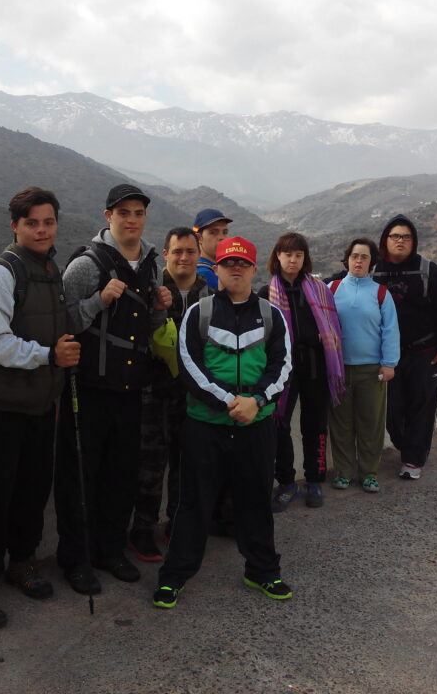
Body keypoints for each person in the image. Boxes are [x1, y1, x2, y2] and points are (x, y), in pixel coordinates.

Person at [0, 187, 80, 629]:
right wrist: (50, 356)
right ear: (15, 226)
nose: (42, 229)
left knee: (31, 492)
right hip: (0, 408)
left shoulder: (51, 270)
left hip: (40, 406)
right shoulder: (1, 274)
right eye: (32, 223)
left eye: (48, 221)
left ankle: (22, 562)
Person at [154, 237, 293, 610]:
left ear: (254, 268)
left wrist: (257, 401)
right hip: (205, 425)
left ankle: (262, 571)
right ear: (215, 269)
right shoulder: (197, 313)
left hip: (256, 423)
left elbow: (282, 367)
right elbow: (189, 367)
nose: (235, 269)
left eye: (243, 264)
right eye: (228, 263)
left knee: (256, 500)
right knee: (193, 503)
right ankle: (174, 577)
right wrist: (231, 402)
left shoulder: (271, 315)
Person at [54, 183, 171, 595]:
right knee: (81, 477)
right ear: (108, 216)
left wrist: (160, 310)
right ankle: (76, 558)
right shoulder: (87, 265)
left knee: (121, 476)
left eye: (138, 212)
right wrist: (99, 300)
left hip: (130, 389)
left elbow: (150, 330)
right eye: (123, 213)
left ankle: (109, 549)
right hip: (88, 388)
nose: (132, 220)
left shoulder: (151, 265)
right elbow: (64, 323)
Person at [129, 227, 211, 562]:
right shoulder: (152, 289)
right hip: (153, 392)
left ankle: (176, 525)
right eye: (177, 251)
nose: (184, 257)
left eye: (190, 251)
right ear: (166, 254)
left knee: (185, 464)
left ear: (199, 254)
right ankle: (142, 530)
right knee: (150, 466)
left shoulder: (208, 295)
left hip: (192, 394)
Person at [257, 232, 345, 512]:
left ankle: (314, 480)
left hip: (316, 368)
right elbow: (268, 335)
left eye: (298, 255)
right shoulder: (265, 294)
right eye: (287, 254)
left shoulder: (319, 290)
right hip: (282, 370)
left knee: (315, 425)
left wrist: (310, 337)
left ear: (305, 258)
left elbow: (331, 329)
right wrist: (311, 336)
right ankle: (286, 482)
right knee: (279, 423)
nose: (292, 259)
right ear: (277, 257)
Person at [372, 215, 437, 480]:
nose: (400, 241)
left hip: (424, 353)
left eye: (406, 237)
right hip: (389, 356)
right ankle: (404, 444)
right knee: (392, 409)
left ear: (414, 242)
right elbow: (342, 283)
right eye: (395, 236)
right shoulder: (374, 270)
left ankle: (413, 460)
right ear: (385, 240)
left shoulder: (428, 270)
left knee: (422, 407)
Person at [327, 238, 400, 492]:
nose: (359, 261)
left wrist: (389, 363)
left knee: (371, 422)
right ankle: (344, 472)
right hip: (338, 370)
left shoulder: (381, 293)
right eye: (355, 256)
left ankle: (369, 472)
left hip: (371, 371)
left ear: (372, 262)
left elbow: (390, 330)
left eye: (364, 257)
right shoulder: (332, 289)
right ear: (347, 259)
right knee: (341, 423)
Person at [191, 208, 232, 290]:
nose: (221, 237)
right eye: (213, 232)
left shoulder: (217, 268)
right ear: (199, 238)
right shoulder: (204, 273)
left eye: (224, 232)